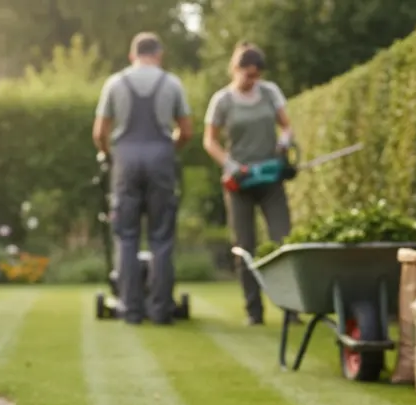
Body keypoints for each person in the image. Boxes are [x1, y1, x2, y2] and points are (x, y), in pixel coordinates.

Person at [92, 31, 193, 325]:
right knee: (161, 237)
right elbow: (186, 131)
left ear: (131, 55)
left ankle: (131, 309)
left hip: (125, 162)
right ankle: (161, 310)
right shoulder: (172, 83)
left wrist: (110, 156)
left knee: (126, 237)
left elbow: (99, 133)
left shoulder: (115, 83)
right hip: (161, 160)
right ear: (159, 54)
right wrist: (166, 150)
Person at [204, 42, 294, 326]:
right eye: (247, 75)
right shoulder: (222, 100)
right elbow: (210, 141)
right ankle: (254, 312)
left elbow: (287, 126)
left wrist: (284, 143)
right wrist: (231, 166)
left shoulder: (270, 93)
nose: (251, 80)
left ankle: (292, 309)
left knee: (283, 241)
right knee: (244, 246)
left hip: (269, 180)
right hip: (239, 182)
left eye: (256, 75)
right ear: (236, 69)